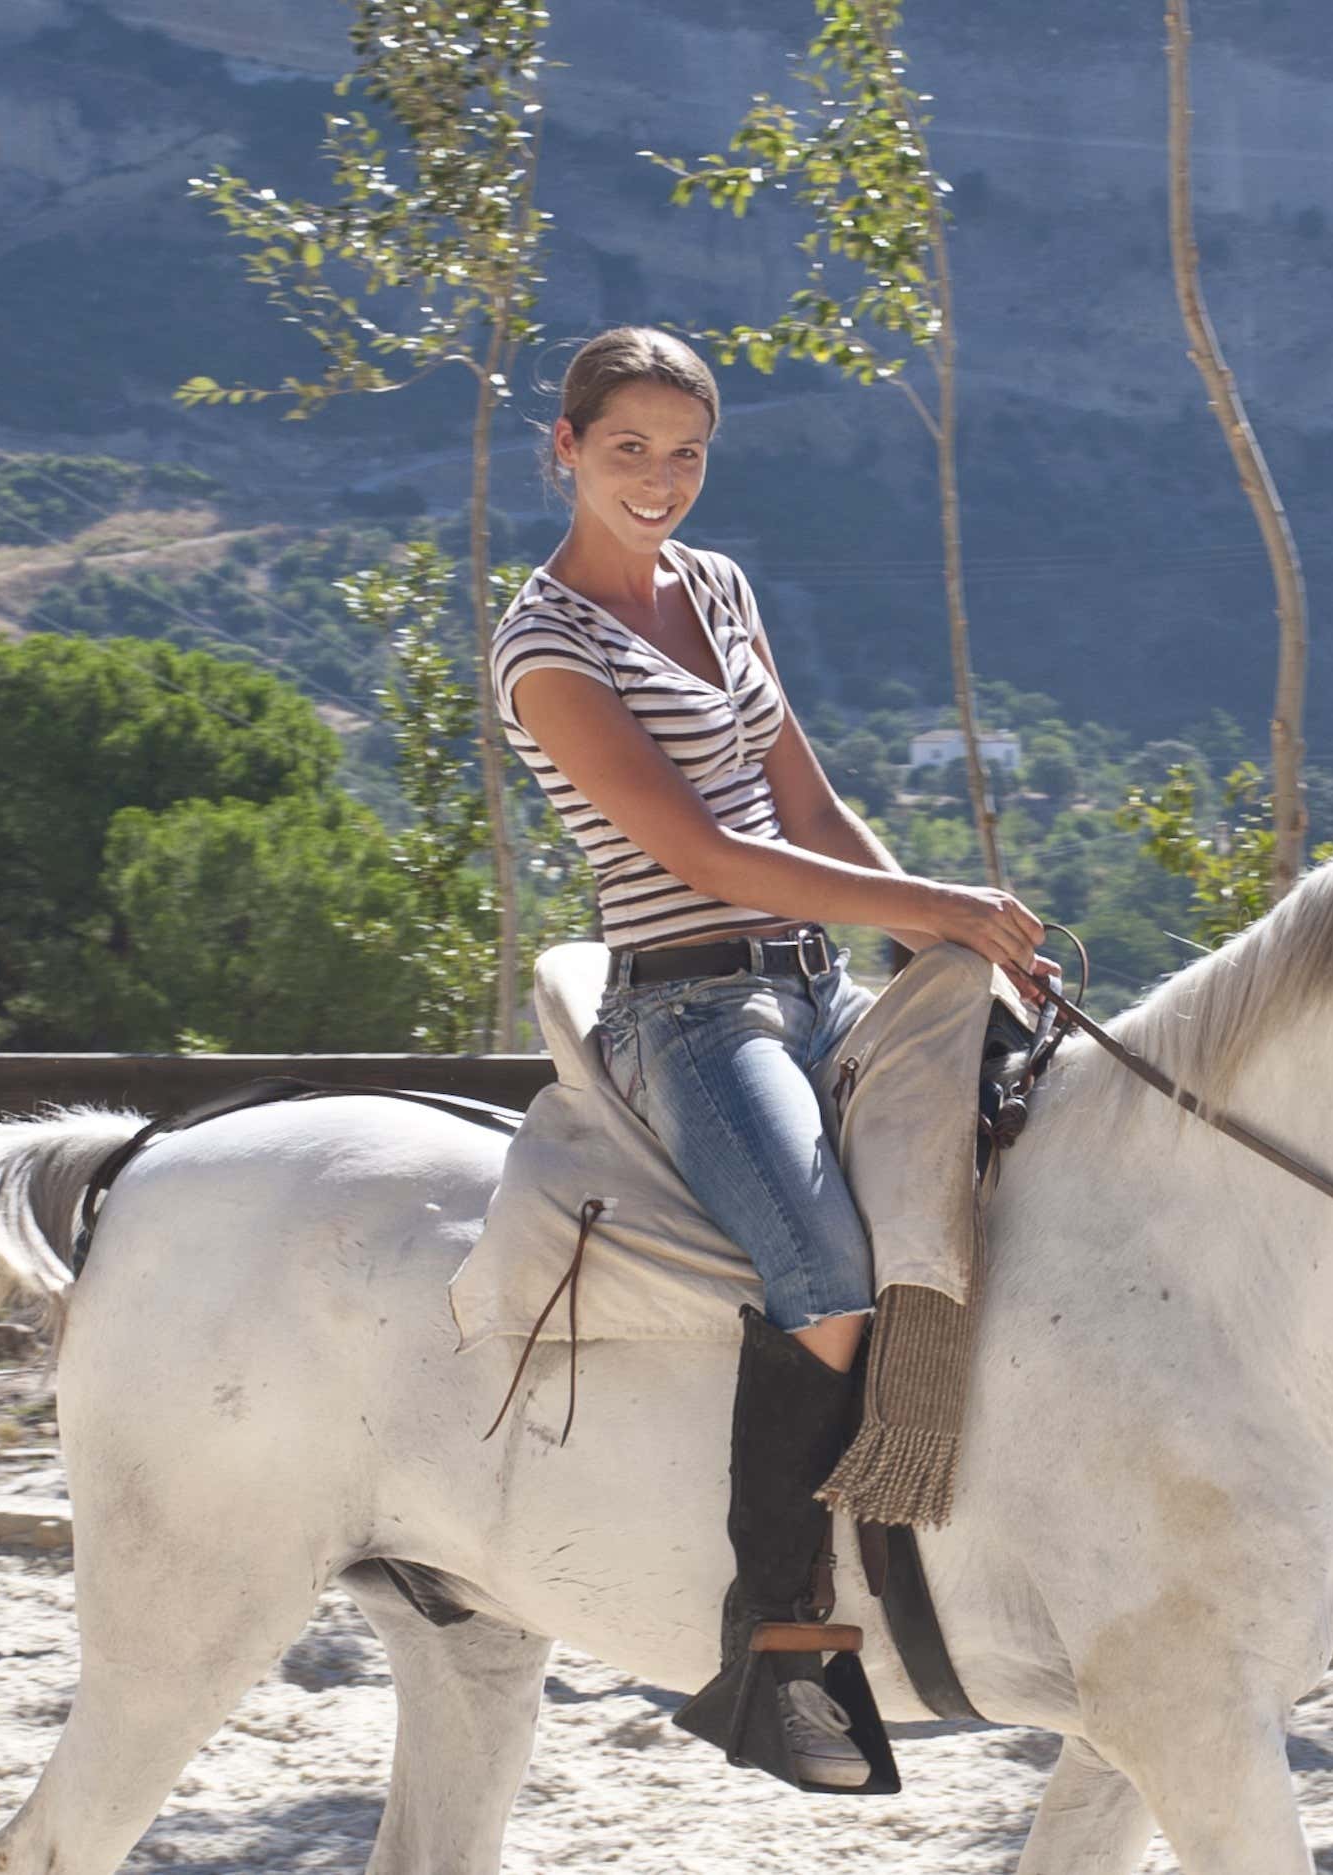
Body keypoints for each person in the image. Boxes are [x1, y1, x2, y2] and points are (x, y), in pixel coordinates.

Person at [489, 325, 1055, 1793]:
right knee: (826, 1278)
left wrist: (945, 954)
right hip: (691, 1010)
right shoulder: (543, 642)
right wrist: (940, 908)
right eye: (627, 451)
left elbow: (799, 794)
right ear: (564, 450)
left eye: (684, 453)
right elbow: (700, 852)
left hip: (814, 981)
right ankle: (777, 1644)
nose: (659, 480)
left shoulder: (720, 589)